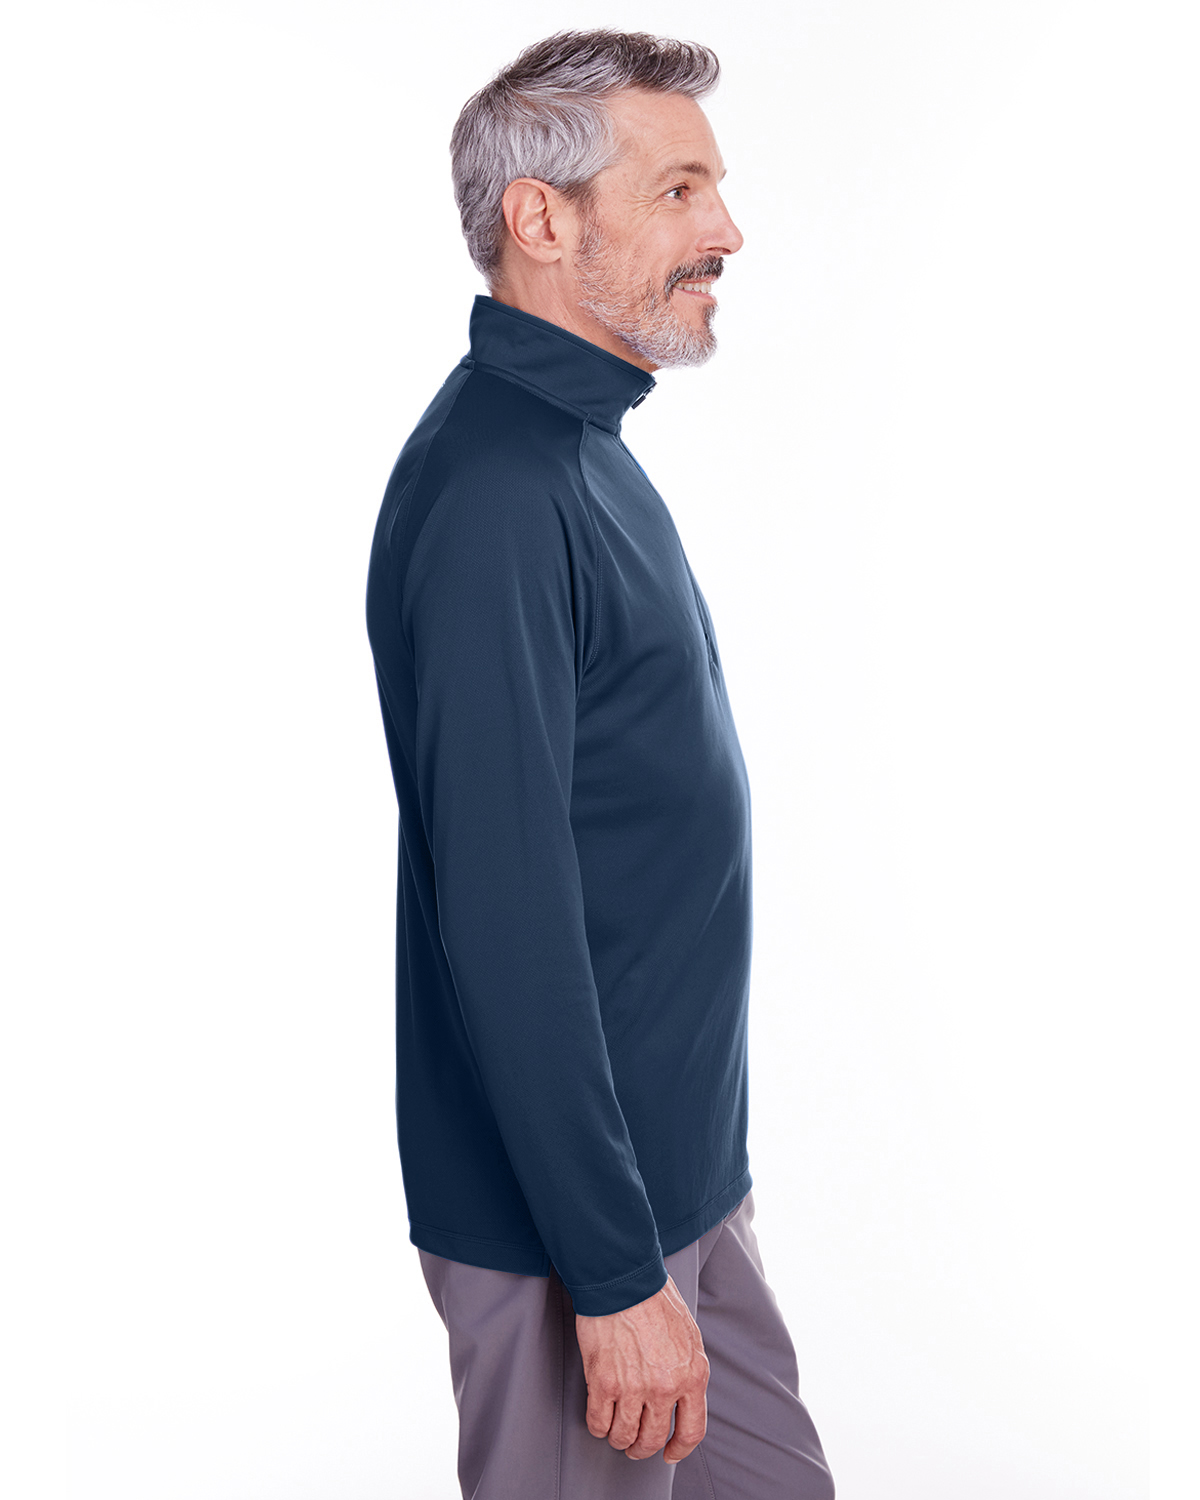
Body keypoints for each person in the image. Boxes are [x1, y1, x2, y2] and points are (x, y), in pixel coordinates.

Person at [365, 28, 836, 1500]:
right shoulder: (500, 494)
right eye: (679, 189)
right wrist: (617, 1275)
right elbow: (503, 918)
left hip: (678, 1186)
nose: (727, 229)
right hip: (580, 1241)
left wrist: (683, 1214)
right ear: (542, 219)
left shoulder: (580, 447)